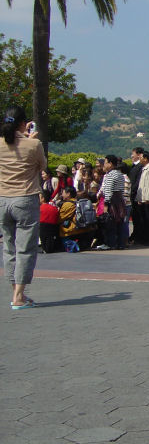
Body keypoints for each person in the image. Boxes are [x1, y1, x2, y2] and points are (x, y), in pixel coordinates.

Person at [0, 106, 46, 309]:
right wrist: (29, 138)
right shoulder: (33, 144)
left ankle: (15, 291)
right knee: (25, 248)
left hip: (3, 199)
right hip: (25, 198)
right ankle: (18, 296)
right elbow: (42, 166)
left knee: (9, 247)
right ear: (23, 124)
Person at [95, 154, 126, 250]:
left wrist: (106, 204)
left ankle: (110, 243)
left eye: (105, 162)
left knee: (110, 223)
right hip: (120, 200)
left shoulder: (110, 175)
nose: (104, 165)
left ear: (111, 163)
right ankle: (120, 243)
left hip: (112, 201)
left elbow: (108, 191)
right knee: (119, 223)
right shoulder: (120, 174)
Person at [58, 186, 94, 250]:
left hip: (72, 231)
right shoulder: (79, 202)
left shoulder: (68, 204)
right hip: (85, 229)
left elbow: (60, 218)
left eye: (63, 193)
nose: (62, 195)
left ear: (68, 194)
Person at [135, 150, 149, 246]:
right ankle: (145, 238)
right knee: (144, 220)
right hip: (143, 199)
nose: (139, 159)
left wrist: (147, 198)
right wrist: (139, 198)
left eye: (141, 157)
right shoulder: (144, 169)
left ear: (145, 159)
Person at [128, 147, 144, 244]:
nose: (131, 156)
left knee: (138, 217)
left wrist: (131, 191)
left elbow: (137, 182)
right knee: (135, 217)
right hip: (132, 195)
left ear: (138, 155)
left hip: (136, 195)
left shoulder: (140, 167)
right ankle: (135, 234)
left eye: (133, 154)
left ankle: (138, 236)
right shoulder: (133, 166)